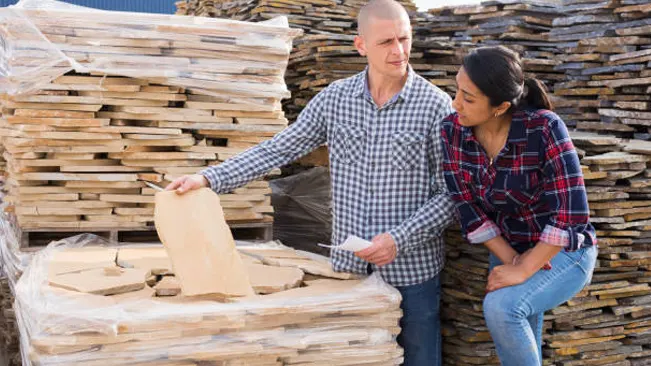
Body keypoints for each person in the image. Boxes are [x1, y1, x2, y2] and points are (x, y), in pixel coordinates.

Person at [165, 0, 454, 364]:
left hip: (413, 274)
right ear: (361, 45)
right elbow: (277, 149)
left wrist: (398, 239)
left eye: (404, 39)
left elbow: (450, 195)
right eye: (386, 42)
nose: (399, 51)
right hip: (350, 273)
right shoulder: (336, 100)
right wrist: (208, 178)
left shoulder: (436, 107)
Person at [440, 45, 597, 366]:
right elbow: (468, 208)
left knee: (502, 308)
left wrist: (527, 267)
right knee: (522, 331)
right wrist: (512, 261)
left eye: (468, 98)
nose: (456, 102)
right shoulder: (452, 130)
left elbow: (572, 213)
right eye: (457, 90)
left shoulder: (544, 128)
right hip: (506, 250)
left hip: (565, 252)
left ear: (499, 107)